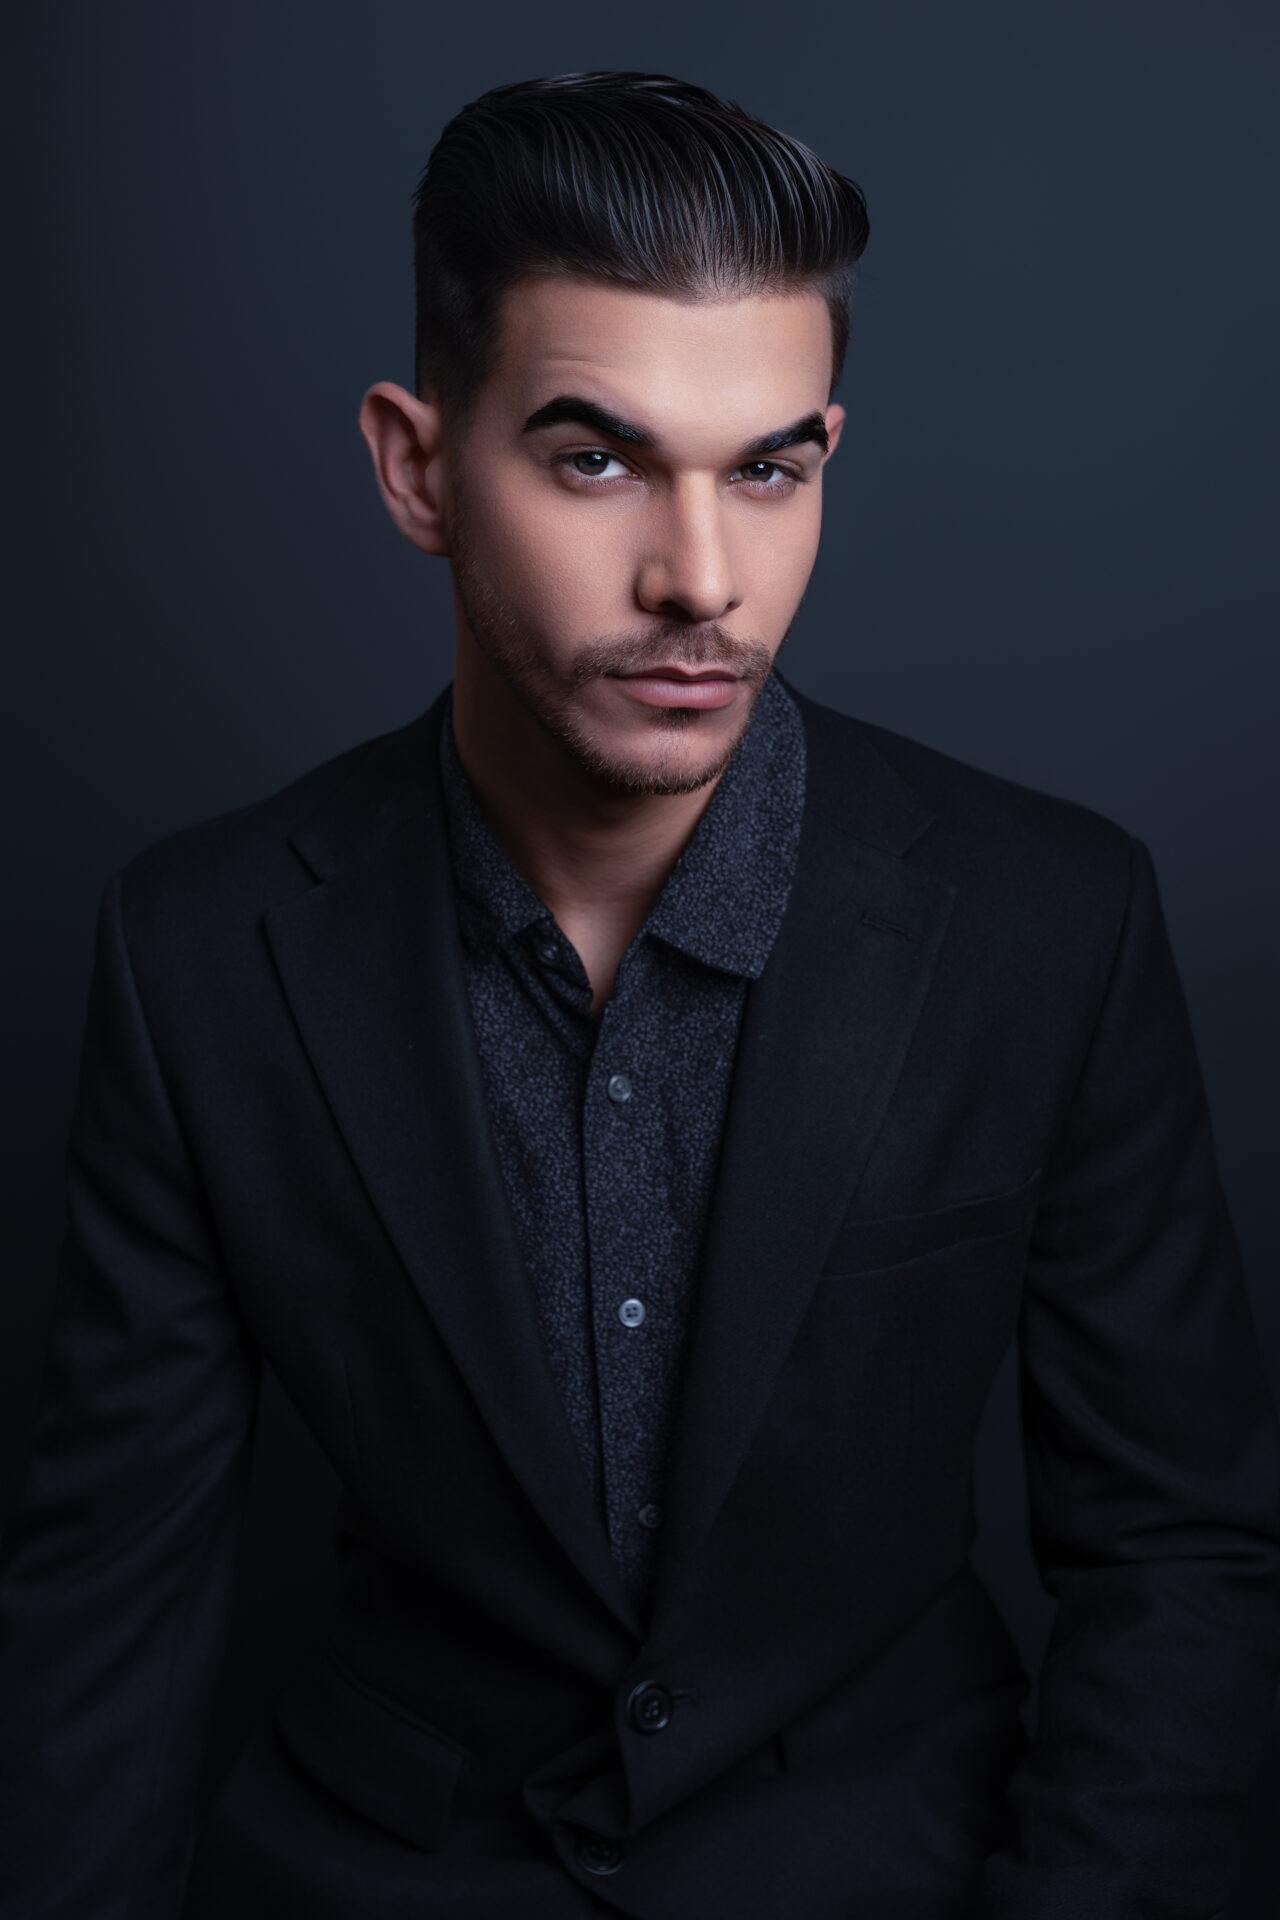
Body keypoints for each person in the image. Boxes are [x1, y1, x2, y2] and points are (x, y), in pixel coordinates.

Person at [1, 69, 1277, 1920]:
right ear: (417, 467)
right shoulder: (196, 948)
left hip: (893, 1869)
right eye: (596, 460)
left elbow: (1180, 1554)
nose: (703, 581)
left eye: (769, 469)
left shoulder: (1050, 919)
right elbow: (105, 1603)